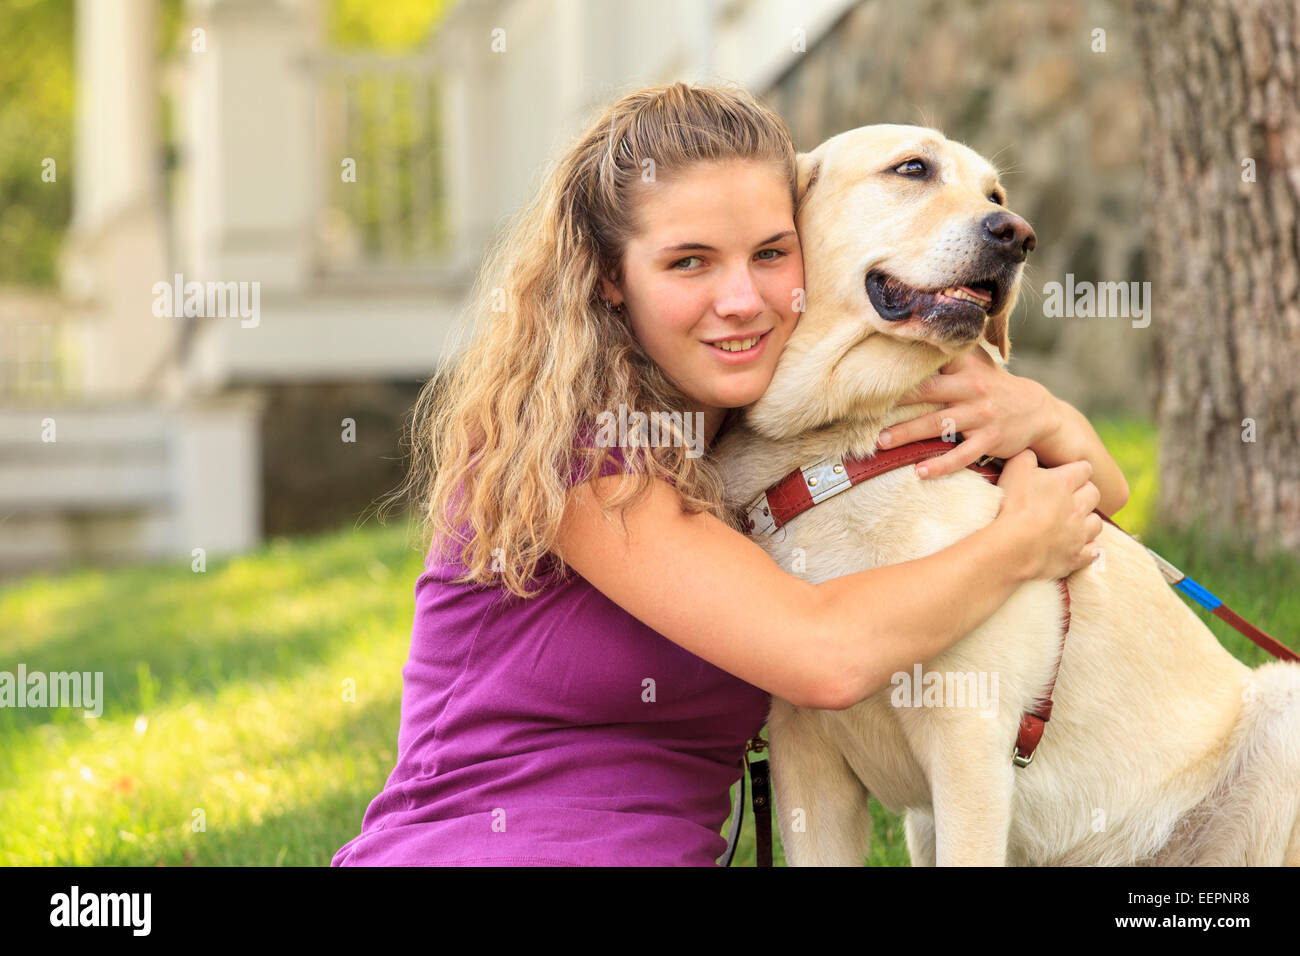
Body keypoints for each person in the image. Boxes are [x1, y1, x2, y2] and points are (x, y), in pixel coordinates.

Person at [331, 82, 1125, 867]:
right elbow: (826, 656)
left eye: (771, 256)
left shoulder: (753, 453)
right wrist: (1022, 542)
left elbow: (1106, 502)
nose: (742, 300)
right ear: (610, 278)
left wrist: (1049, 419)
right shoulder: (579, 454)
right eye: (689, 263)